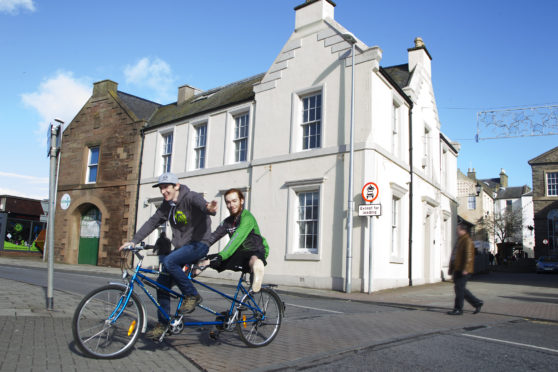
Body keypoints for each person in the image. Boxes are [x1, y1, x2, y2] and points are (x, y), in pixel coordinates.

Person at [119, 172, 217, 338]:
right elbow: (152, 222)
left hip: (199, 244)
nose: (163, 191)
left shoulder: (190, 197)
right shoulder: (166, 206)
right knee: (161, 283)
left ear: (176, 186)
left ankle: (192, 295)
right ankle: (163, 324)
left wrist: (209, 208)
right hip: (182, 249)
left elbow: (204, 205)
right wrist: (134, 241)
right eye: (161, 188)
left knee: (169, 261)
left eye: (166, 187)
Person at [200, 188, 268, 292]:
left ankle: (256, 273)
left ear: (242, 201)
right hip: (239, 253)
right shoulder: (227, 222)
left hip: (256, 251)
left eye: (234, 201)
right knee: (203, 261)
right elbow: (213, 236)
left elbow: (237, 238)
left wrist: (221, 255)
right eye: (228, 202)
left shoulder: (247, 217)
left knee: (254, 259)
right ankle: (188, 291)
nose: (231, 205)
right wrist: (196, 249)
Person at [447, 224, 484, 315]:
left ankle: (458, 309)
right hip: (458, 268)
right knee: (460, 288)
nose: (456, 231)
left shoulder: (467, 240)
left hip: (463, 269)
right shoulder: (460, 240)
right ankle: (477, 303)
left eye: (458, 229)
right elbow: (455, 255)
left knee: (459, 289)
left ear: (463, 230)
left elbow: (469, 255)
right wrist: (451, 268)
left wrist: (466, 268)